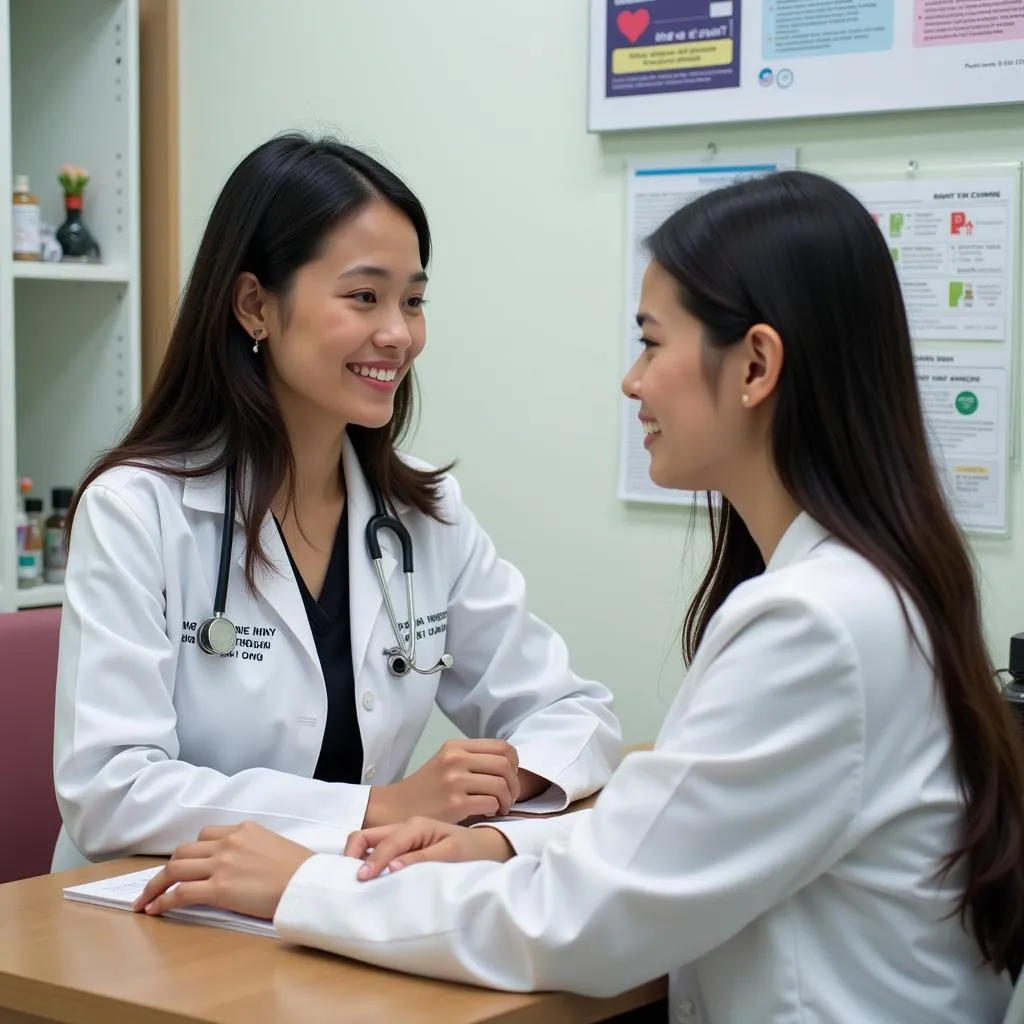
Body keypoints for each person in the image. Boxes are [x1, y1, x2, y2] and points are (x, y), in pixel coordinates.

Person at [134, 170, 1024, 1022]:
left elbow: (582, 916)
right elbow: (658, 846)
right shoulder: (869, 592)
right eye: (365, 297)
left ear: (755, 367)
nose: (632, 382)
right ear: (255, 304)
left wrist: (306, 881)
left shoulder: (812, 623)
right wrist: (482, 838)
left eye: (650, 341)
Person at [51, 133, 621, 872]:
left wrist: (512, 776)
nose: (399, 334)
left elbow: (575, 714)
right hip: (150, 918)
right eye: (364, 296)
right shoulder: (137, 510)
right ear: (255, 304)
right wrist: (382, 807)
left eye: (413, 300)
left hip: (333, 905)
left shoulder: (423, 511)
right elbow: (110, 792)